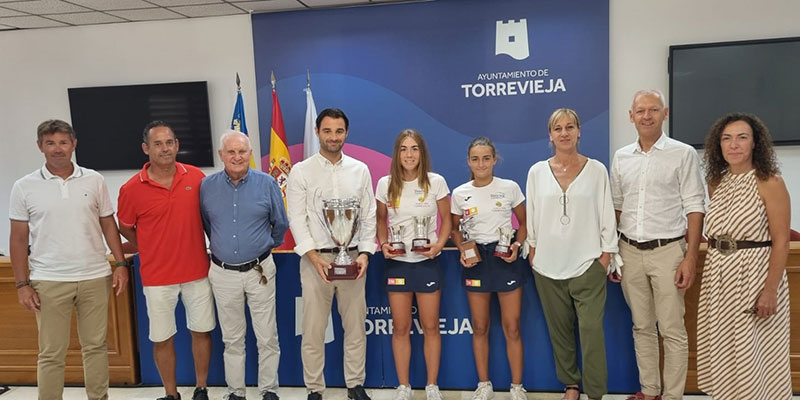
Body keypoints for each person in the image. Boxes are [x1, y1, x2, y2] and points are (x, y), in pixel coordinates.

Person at [9, 119, 129, 400]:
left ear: (74, 145)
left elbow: (108, 225)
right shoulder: (24, 187)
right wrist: (21, 284)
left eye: (63, 142)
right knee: (51, 352)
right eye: (50, 143)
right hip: (48, 281)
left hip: (95, 276)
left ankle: (98, 397)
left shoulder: (94, 180)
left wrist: (120, 264)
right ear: (40, 147)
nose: (58, 149)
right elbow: (17, 240)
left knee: (96, 346)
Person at [610, 90, 705, 400]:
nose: (646, 116)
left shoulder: (683, 153)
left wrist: (690, 257)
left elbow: (695, 206)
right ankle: (650, 392)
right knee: (641, 327)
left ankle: (673, 396)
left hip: (669, 252)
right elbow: (617, 207)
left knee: (672, 330)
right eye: (641, 110)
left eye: (654, 109)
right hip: (629, 251)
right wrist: (613, 254)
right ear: (631, 116)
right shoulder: (622, 156)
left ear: (665, 114)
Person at [696, 113, 791, 400]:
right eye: (726, 138)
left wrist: (770, 291)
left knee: (755, 352)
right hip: (719, 277)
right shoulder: (716, 182)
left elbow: (782, 241)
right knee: (725, 348)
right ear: (718, 145)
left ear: (755, 144)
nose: (733, 145)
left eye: (742, 137)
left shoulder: (770, 182)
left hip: (755, 276)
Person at [118, 121, 214, 400]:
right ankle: (171, 394)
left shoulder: (196, 177)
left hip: (197, 271)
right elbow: (124, 226)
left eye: (169, 142)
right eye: (158, 144)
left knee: (201, 331)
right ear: (146, 148)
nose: (165, 148)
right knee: (162, 337)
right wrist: (146, 246)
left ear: (177, 145)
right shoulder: (131, 188)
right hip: (157, 277)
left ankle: (201, 388)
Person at [286, 108, 377, 400]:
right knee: (313, 330)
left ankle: (355, 384)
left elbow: (368, 216)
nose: (333, 137)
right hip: (315, 262)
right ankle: (314, 388)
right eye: (327, 131)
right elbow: (296, 218)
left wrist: (364, 254)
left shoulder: (360, 169)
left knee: (355, 328)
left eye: (339, 131)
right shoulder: (301, 171)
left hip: (352, 260)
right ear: (317, 132)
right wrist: (313, 258)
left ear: (346, 133)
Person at [526, 109, 616, 400]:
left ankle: (596, 391)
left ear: (579, 131)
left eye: (569, 127)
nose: (564, 133)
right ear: (550, 135)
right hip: (547, 265)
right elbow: (532, 215)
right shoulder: (537, 172)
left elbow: (606, 214)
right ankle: (571, 385)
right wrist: (534, 251)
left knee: (591, 330)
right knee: (560, 331)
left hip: (587, 263)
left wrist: (605, 257)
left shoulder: (597, 170)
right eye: (557, 128)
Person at [200, 131, 289, 400]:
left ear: (250, 154)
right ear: (221, 155)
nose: (237, 157)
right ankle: (236, 392)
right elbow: (208, 224)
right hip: (223, 273)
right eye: (231, 152)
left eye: (242, 151)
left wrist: (261, 247)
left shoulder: (267, 183)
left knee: (267, 336)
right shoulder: (207, 187)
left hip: (259, 270)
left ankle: (269, 390)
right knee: (232, 339)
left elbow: (281, 224)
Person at [375, 129, 451, 400]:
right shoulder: (385, 184)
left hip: (427, 263)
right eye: (404, 149)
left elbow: (447, 220)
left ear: (422, 152)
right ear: (397, 154)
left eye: (414, 148)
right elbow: (380, 221)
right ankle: (404, 386)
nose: (409, 154)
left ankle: (432, 385)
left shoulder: (436, 182)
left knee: (431, 327)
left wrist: (439, 245)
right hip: (398, 264)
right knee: (400, 327)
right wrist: (384, 244)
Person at [450, 137, 528, 400]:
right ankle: (484, 384)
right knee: (480, 327)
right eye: (475, 159)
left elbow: (525, 224)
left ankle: (517, 387)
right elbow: (454, 230)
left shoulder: (510, 188)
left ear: (495, 159)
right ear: (468, 161)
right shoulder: (459, 193)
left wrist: (516, 245)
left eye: (486, 158)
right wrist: (463, 250)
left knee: (512, 326)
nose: (481, 164)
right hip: (476, 261)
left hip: (504, 257)